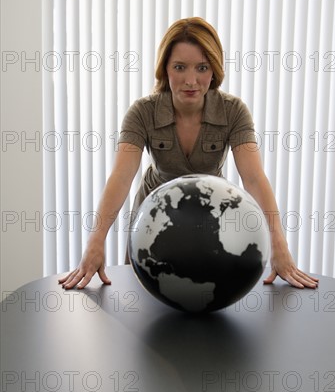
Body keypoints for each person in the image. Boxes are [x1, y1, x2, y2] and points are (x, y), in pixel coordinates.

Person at [59, 17, 318, 290]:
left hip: (209, 221)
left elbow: (254, 178)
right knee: (142, 303)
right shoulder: (142, 112)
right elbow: (121, 177)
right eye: (179, 67)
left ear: (214, 70)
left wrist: (279, 246)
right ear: (165, 69)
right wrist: (95, 241)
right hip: (154, 223)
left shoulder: (233, 111)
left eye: (202, 68)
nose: (191, 81)